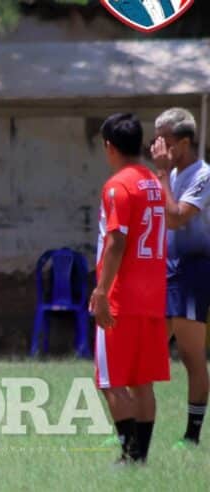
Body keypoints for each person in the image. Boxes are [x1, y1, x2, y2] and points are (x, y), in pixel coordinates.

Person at [90, 113, 170, 465]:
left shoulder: (117, 186)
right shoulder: (153, 182)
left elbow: (117, 241)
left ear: (109, 147)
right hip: (153, 296)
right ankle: (141, 457)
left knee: (110, 382)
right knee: (143, 381)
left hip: (122, 298)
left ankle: (129, 455)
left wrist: (102, 292)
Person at [150, 107, 207, 448]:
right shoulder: (167, 175)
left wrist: (159, 174)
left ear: (183, 143)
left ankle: (192, 435)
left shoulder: (203, 175)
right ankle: (133, 432)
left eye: (164, 140)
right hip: (161, 271)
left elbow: (175, 219)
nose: (157, 146)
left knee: (190, 355)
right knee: (144, 350)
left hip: (192, 270)